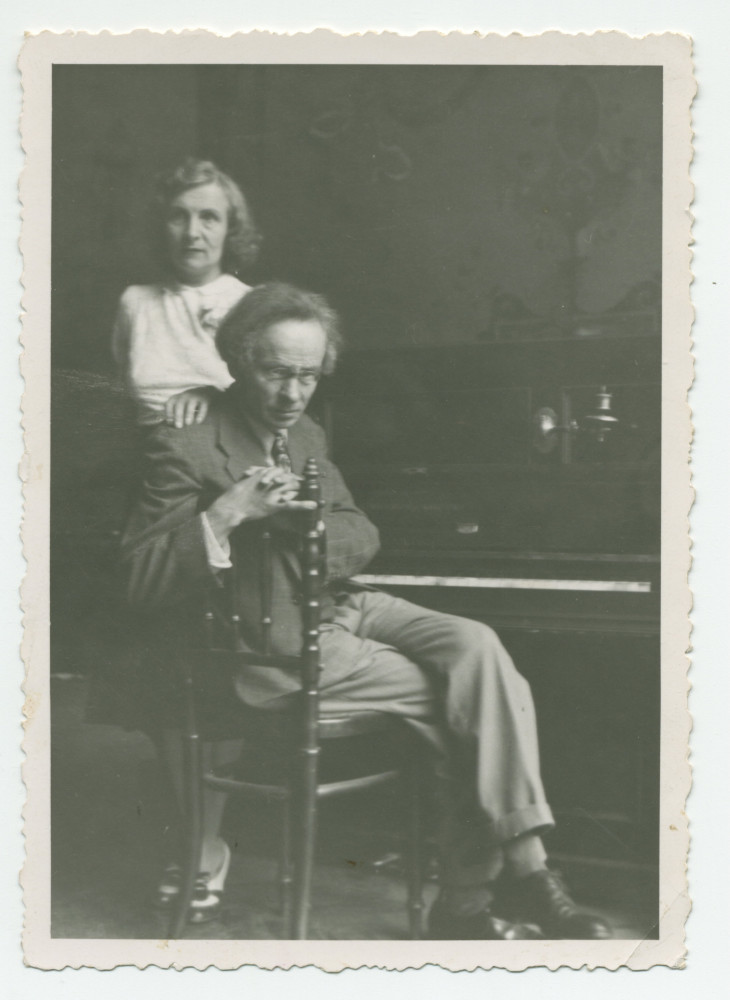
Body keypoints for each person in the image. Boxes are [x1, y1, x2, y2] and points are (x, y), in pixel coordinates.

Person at [120, 281, 612, 940]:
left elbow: (362, 535)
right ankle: (495, 888)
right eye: (276, 373)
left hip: (338, 607)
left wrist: (306, 524)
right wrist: (230, 512)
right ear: (238, 359)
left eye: (307, 376)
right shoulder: (187, 443)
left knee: (476, 646)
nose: (293, 394)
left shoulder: (308, 433)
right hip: (271, 653)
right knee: (461, 697)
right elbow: (137, 580)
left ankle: (508, 879)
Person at [112, 157, 260, 428]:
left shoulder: (252, 304)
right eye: (179, 216)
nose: (192, 233)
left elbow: (267, 401)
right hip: (146, 450)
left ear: (231, 229)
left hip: (227, 451)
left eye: (209, 218)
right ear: (162, 225)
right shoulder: (135, 302)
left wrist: (214, 396)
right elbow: (122, 395)